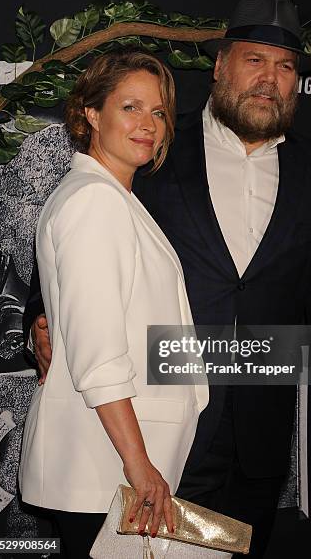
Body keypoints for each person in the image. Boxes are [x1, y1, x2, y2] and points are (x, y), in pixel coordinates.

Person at [25, 0, 311, 557]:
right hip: (160, 430)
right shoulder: (155, 147)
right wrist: (45, 313)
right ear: (219, 66)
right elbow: (80, 246)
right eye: (255, 60)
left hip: (260, 426)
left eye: (285, 67)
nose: (270, 79)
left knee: (235, 552)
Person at [19, 48, 208, 559]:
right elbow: (99, 356)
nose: (148, 124)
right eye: (130, 107)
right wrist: (139, 465)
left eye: (159, 112)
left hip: (109, 462)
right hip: (103, 466)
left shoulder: (110, 196)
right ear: (90, 113)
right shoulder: (95, 202)